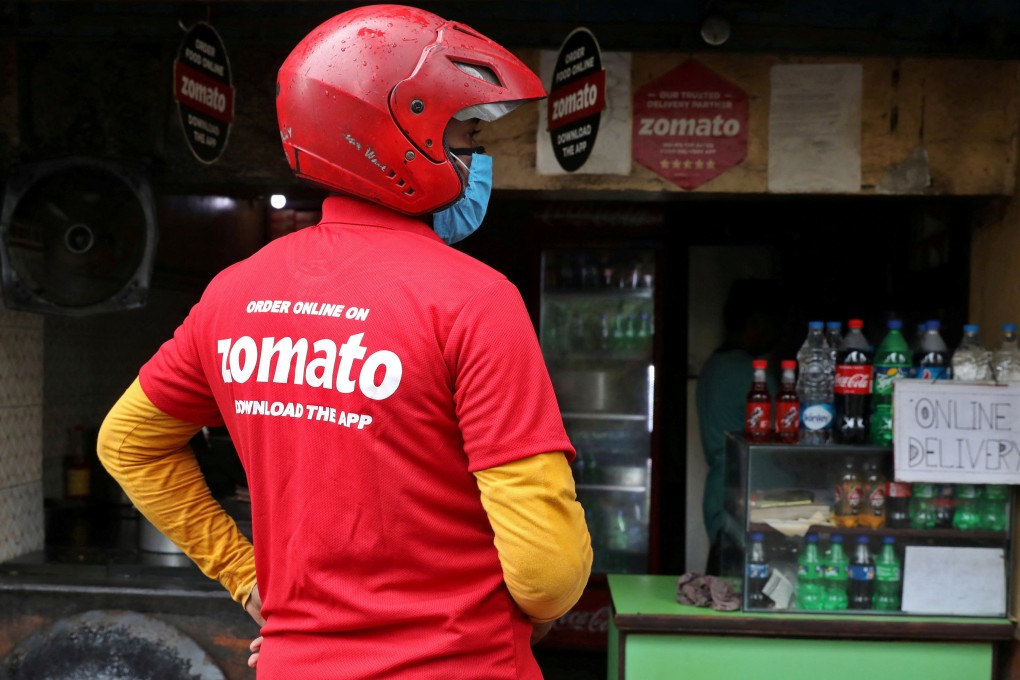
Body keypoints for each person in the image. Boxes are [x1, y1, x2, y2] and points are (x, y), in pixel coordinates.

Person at [97, 6, 592, 679]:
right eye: (468, 137)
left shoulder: (234, 294)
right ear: (400, 140)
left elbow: (126, 443)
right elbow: (546, 571)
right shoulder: (475, 302)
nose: (479, 163)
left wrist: (247, 578)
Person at [695, 279, 782, 576]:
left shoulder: (714, 366)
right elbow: (782, 439)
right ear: (755, 323)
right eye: (773, 322)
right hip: (743, 496)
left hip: (721, 495)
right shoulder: (749, 373)